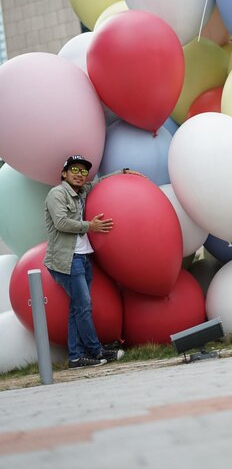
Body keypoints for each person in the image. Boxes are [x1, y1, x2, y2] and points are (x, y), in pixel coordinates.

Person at [43, 155, 137, 369]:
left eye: (83, 171)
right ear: (64, 174)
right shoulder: (57, 194)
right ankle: (95, 350)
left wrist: (122, 172)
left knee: (78, 308)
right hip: (66, 260)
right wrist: (90, 226)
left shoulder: (82, 191)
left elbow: (100, 182)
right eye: (74, 170)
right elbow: (61, 222)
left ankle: (76, 356)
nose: (79, 174)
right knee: (83, 307)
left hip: (83, 258)